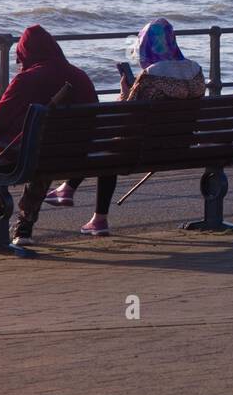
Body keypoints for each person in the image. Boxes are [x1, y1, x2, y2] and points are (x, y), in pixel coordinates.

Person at [44, 18, 206, 235]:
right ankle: (73, 196)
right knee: (110, 146)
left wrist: (125, 92)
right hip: (180, 147)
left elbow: (128, 116)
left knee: (107, 147)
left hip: (141, 150)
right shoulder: (196, 71)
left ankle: (86, 207)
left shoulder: (150, 75)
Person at [0, 25, 97, 251]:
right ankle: (23, 226)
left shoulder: (27, 79)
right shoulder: (80, 76)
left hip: (20, 157)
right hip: (69, 156)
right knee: (42, 152)